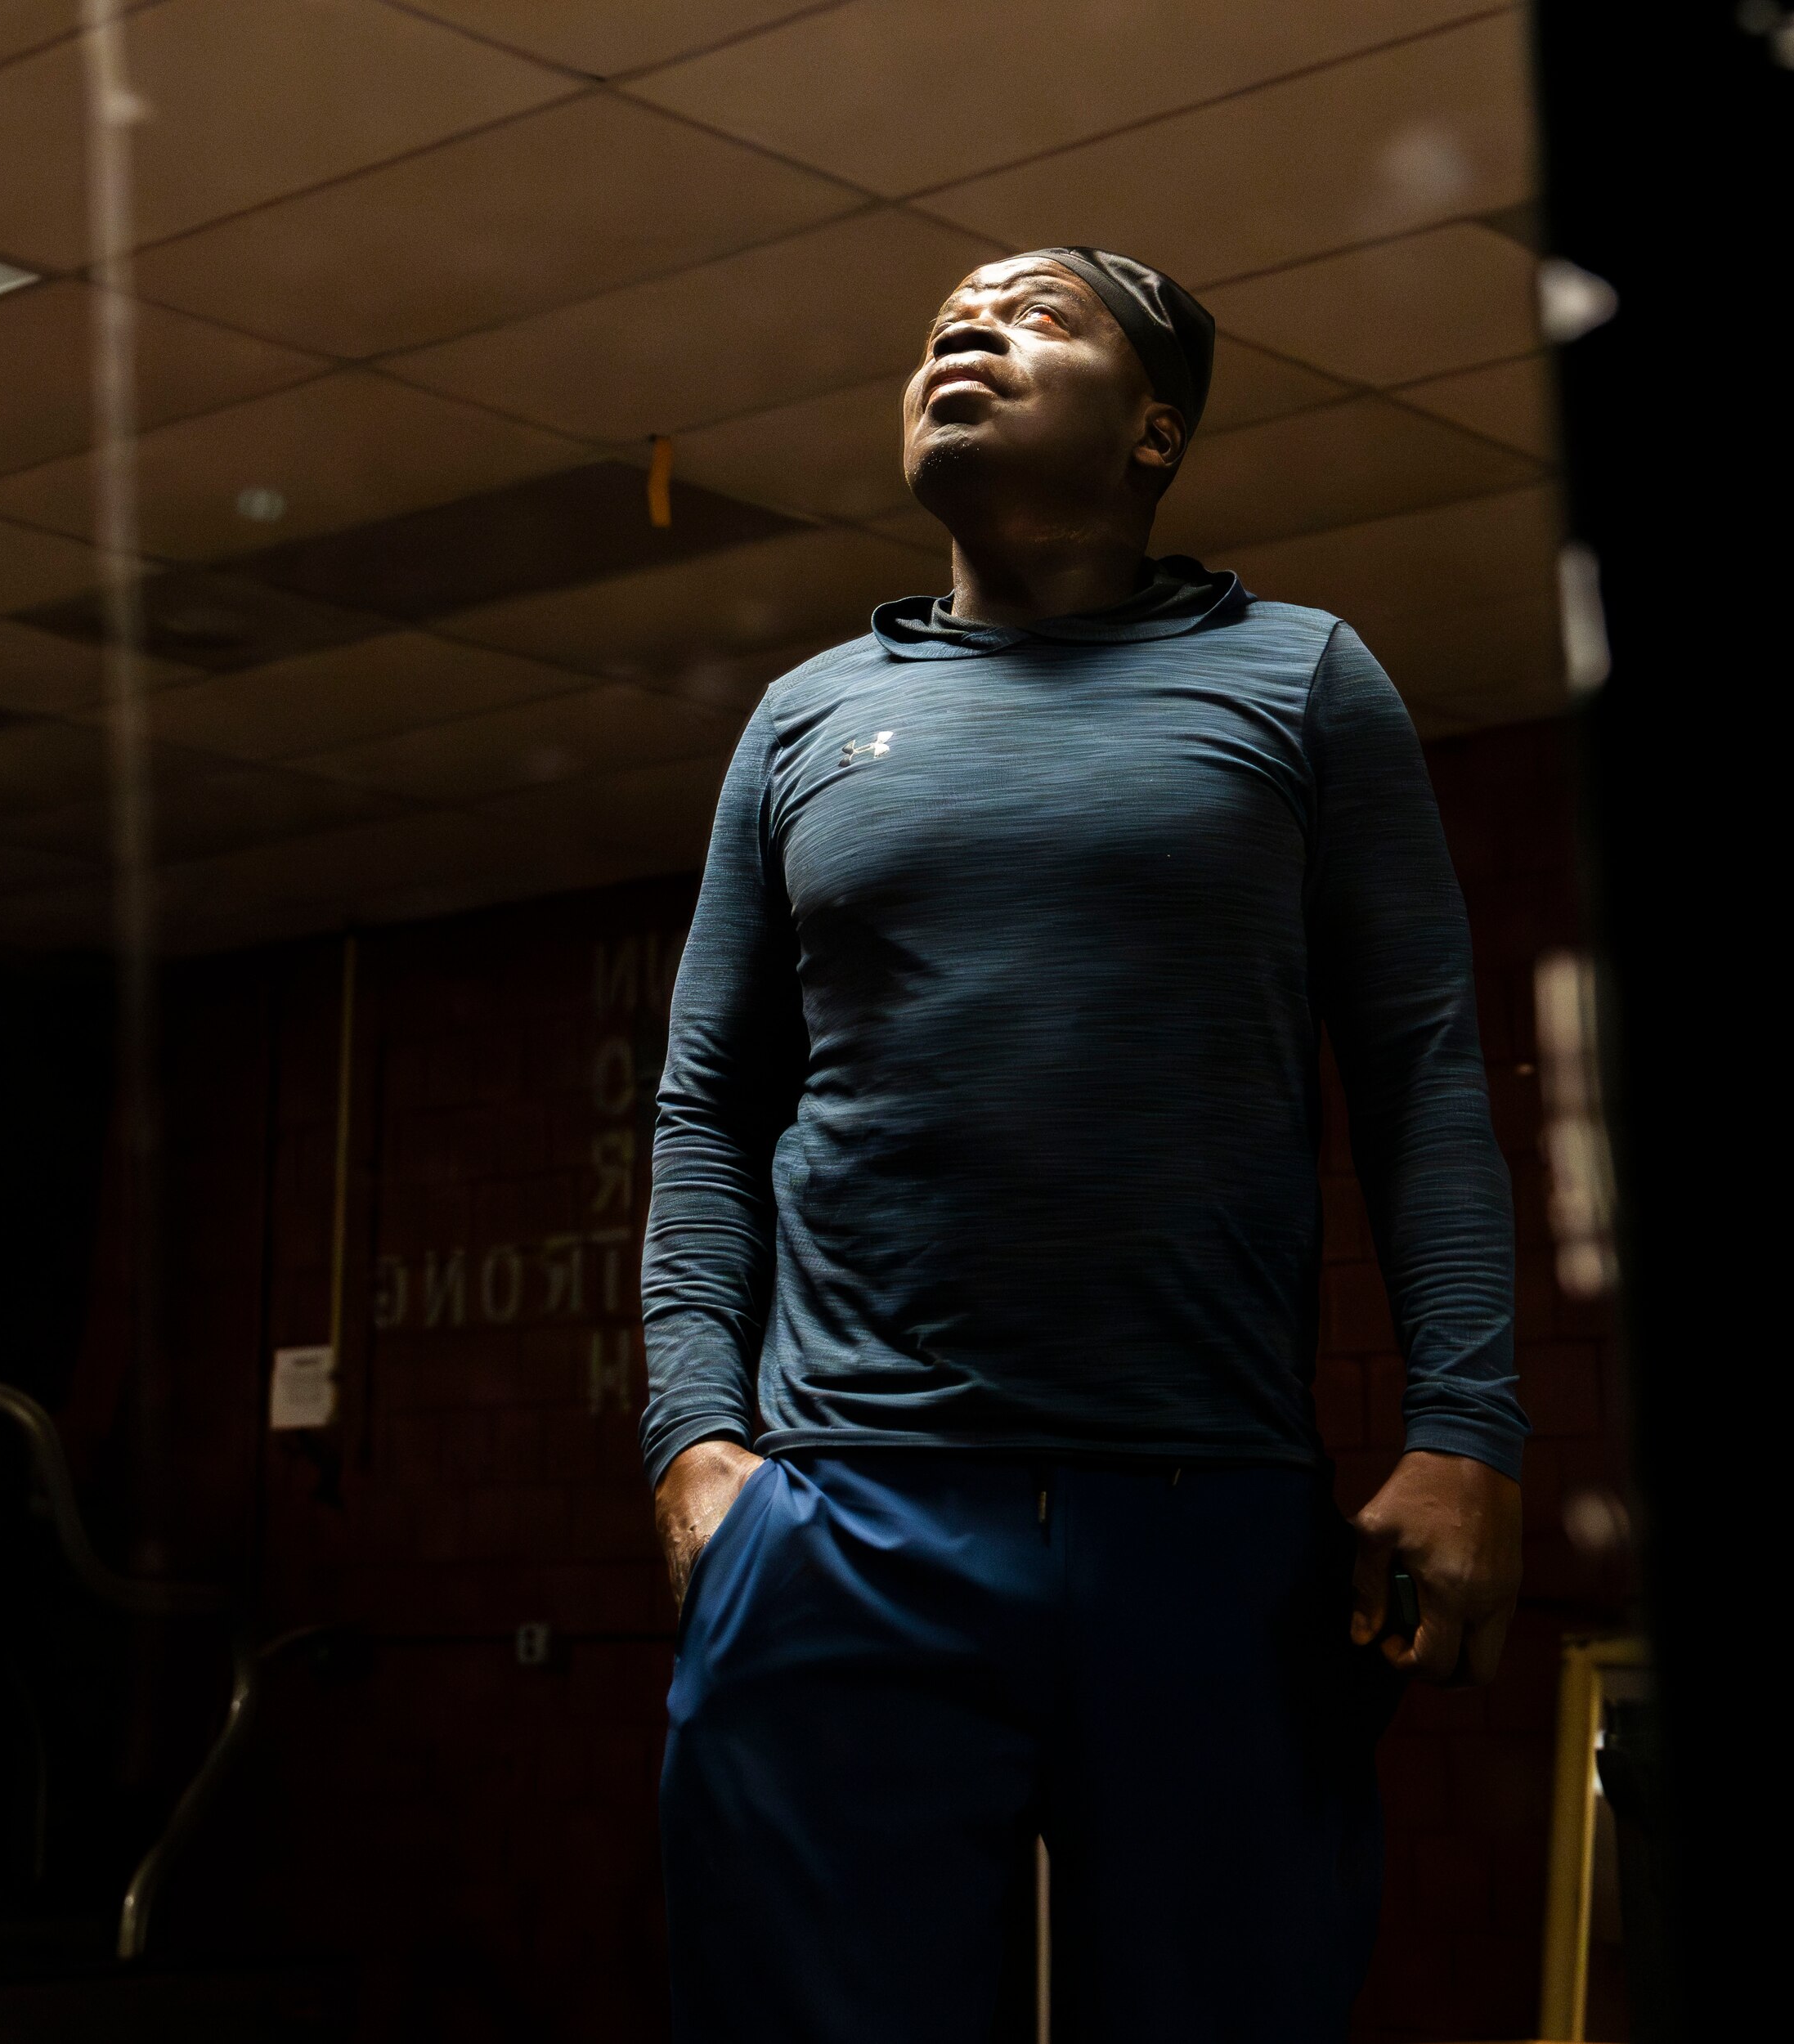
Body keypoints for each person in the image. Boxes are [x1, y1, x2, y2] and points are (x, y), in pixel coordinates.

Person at [639, 246, 1527, 2042]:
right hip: (846, 1509)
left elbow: (1423, 1067)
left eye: (1041, 312)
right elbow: (705, 1106)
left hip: (1206, 1522)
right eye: (944, 312)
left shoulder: (1302, 678)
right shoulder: (803, 716)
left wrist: (1468, 1428)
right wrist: (692, 1438)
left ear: (1154, 428)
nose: (966, 325)